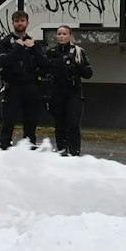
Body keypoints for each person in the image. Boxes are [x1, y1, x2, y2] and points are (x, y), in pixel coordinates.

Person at [0, 10, 46, 149]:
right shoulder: (5, 42)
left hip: (31, 86)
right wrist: (18, 46)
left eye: (22, 20)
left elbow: (44, 63)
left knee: (31, 121)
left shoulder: (33, 42)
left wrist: (34, 47)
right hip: (13, 86)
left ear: (27, 23)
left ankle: (29, 149)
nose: (19, 23)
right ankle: (3, 148)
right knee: (8, 120)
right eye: (17, 21)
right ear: (13, 23)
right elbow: (4, 62)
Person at [43, 25, 93, 155]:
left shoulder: (78, 51)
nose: (61, 36)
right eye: (59, 34)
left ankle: (75, 151)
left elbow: (88, 73)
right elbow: (44, 71)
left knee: (73, 124)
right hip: (57, 93)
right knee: (59, 124)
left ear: (70, 35)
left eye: (64, 34)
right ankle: (62, 150)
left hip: (73, 92)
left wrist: (76, 65)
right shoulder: (51, 52)